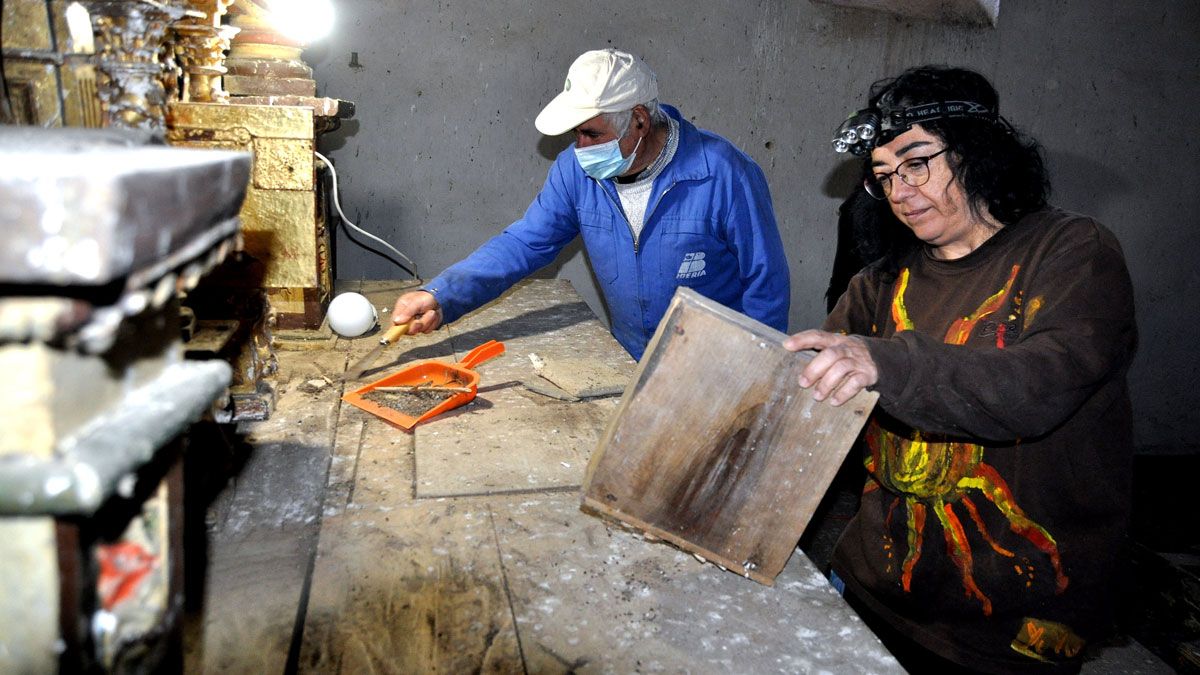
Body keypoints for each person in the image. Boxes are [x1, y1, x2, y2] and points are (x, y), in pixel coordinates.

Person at [785, 66, 1137, 674]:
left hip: (1010, 614)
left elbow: (1042, 383)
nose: (899, 190)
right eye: (883, 176)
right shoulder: (879, 283)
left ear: (978, 153)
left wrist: (886, 360)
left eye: (917, 161)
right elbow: (807, 405)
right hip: (879, 585)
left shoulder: (1071, 253)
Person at [390, 48, 790, 360]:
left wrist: (751, 375)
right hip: (629, 358)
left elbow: (766, 285)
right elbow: (525, 243)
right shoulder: (576, 172)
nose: (579, 148)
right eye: (575, 135)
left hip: (712, 368)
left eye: (591, 133)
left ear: (638, 120)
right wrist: (443, 294)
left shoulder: (722, 173)